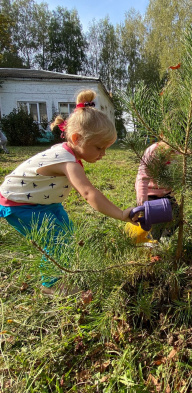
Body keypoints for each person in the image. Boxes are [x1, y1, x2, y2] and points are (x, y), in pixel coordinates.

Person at [0, 89, 137, 294]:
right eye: (99, 148)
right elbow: (88, 193)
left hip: (45, 203)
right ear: (76, 138)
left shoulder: (69, 153)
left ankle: (63, 271)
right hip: (19, 204)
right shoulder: (66, 160)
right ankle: (51, 285)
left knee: (68, 233)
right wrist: (120, 214)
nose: (103, 155)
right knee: (55, 238)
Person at [135, 139, 179, 241]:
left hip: (167, 193)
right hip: (150, 192)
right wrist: (142, 204)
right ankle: (152, 244)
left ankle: (164, 241)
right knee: (156, 220)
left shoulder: (180, 153)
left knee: (176, 216)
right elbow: (142, 178)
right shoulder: (153, 151)